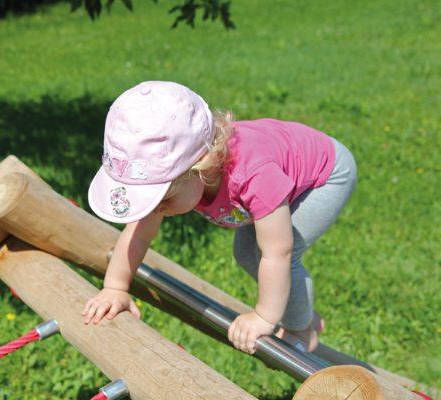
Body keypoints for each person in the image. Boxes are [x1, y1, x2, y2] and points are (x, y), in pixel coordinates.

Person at [82, 80, 357, 354]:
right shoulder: (184, 177)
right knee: (247, 251)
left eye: (162, 199)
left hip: (324, 176)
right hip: (283, 174)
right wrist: (115, 287)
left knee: (268, 252)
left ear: (203, 166)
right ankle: (301, 314)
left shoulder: (252, 175)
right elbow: (138, 233)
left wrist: (263, 317)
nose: (157, 210)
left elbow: (278, 252)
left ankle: (301, 330)